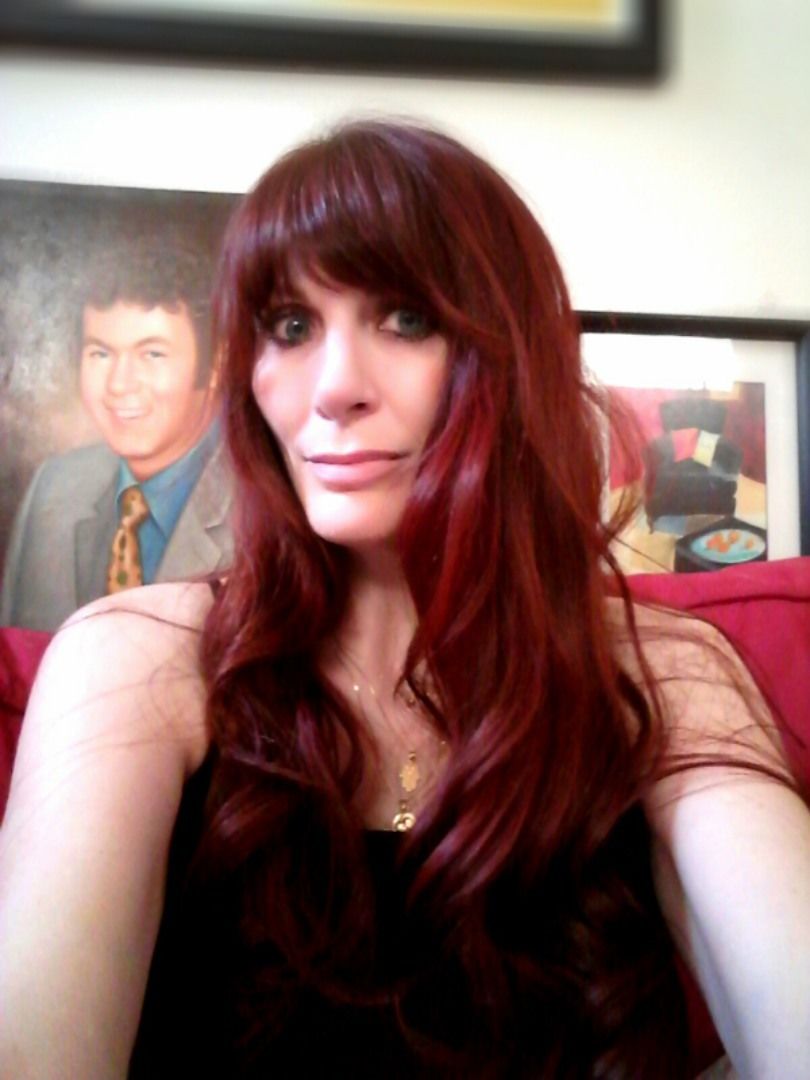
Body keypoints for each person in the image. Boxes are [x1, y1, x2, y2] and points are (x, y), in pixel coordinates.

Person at [1, 120, 809, 1078]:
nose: (332, 389)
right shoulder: (130, 660)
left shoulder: (666, 671)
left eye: (407, 319)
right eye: (290, 328)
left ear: (511, 357)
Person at [0, 243, 233, 632]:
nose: (119, 384)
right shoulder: (53, 488)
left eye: (152, 354)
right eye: (101, 354)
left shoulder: (264, 508)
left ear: (216, 366)